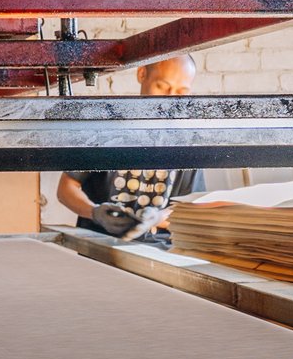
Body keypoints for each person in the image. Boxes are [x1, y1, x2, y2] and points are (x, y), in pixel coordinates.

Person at [56, 54, 201, 241]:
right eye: (162, 87)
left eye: (181, 92)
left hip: (161, 252)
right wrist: (94, 212)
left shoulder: (189, 142)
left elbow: (189, 208)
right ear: (142, 74)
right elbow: (66, 188)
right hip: (100, 246)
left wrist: (158, 218)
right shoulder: (104, 129)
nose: (169, 100)